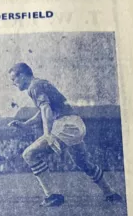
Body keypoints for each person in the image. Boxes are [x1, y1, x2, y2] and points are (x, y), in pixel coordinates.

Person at [8, 62, 122, 206]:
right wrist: (25, 124)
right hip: (75, 124)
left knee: (29, 154)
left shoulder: (34, 87)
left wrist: (47, 135)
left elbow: (46, 110)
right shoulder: (40, 84)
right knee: (83, 163)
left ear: (22, 75)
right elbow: (44, 110)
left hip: (65, 125)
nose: (13, 83)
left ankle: (52, 195)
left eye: (13, 79)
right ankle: (110, 193)